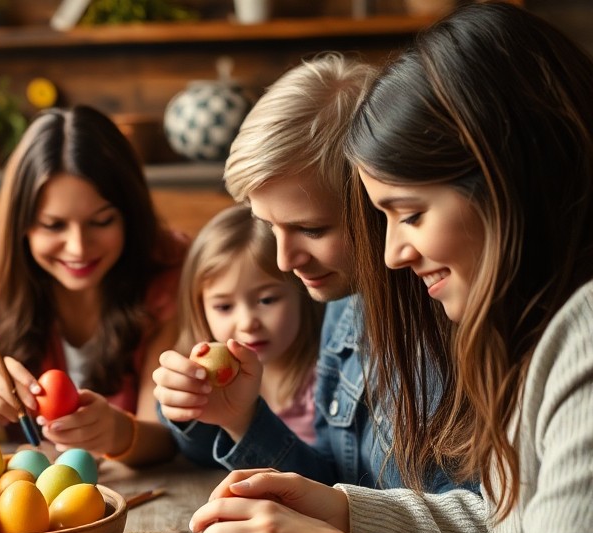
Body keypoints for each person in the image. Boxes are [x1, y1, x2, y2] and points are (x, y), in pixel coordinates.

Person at [190, 3, 593, 533]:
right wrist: (347, 510)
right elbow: (515, 532)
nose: (391, 253)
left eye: (408, 213)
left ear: (505, 181)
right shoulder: (539, 332)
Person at [152, 54, 446, 488]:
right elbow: (333, 484)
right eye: (270, 227)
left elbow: (472, 525)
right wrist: (239, 419)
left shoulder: (444, 333)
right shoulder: (346, 309)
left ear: (379, 204)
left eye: (309, 229)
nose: (284, 261)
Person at [0, 105, 187, 466]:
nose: (79, 247)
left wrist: (119, 432)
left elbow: (168, 439)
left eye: (101, 221)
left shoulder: (169, 262)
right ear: (22, 224)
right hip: (29, 496)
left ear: (130, 215)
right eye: (53, 226)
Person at [175, 203, 322, 444]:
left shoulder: (324, 382)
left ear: (303, 294)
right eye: (224, 307)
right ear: (200, 309)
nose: (247, 323)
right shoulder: (205, 380)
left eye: (267, 300)